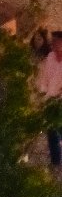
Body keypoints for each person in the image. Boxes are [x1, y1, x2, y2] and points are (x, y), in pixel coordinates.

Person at [37, 32, 62, 168]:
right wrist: (42, 93)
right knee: (51, 131)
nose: (53, 44)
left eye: (56, 42)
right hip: (50, 100)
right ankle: (55, 162)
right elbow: (45, 76)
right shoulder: (51, 57)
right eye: (53, 41)